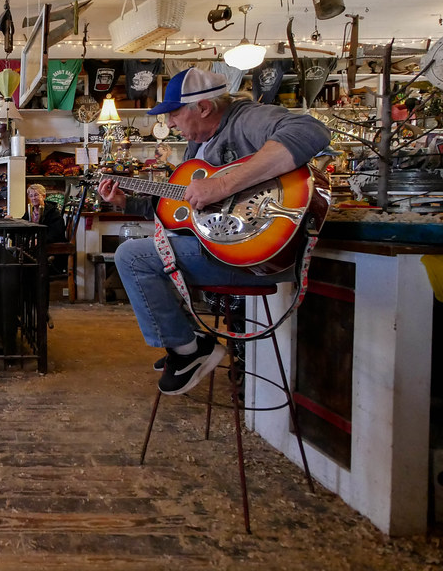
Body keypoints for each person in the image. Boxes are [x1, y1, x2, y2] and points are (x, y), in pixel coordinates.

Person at [97, 68, 331, 396]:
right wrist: (124, 202)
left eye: (175, 113)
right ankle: (189, 341)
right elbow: (179, 215)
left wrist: (222, 185)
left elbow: (312, 131)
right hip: (223, 249)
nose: (172, 124)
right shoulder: (196, 150)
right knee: (143, 251)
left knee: (133, 256)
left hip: (255, 254)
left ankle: (189, 350)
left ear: (204, 108)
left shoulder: (246, 119)